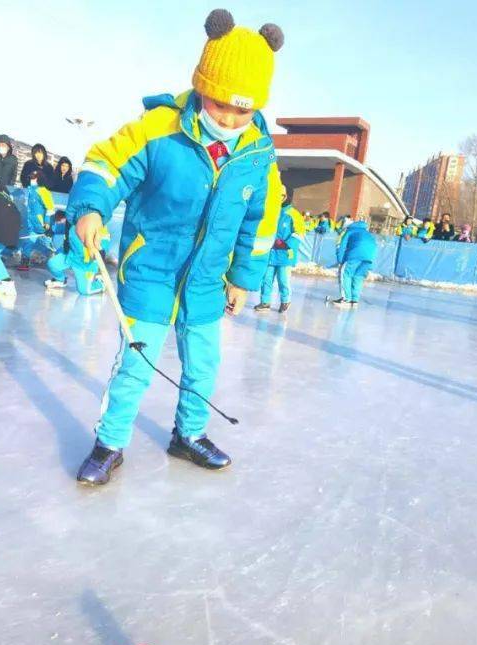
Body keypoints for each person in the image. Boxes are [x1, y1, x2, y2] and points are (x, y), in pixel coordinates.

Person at [69, 8, 284, 485]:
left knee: (203, 365)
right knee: (137, 366)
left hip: (207, 281)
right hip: (150, 269)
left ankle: (188, 435)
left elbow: (261, 223)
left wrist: (243, 280)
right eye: (220, 103)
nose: (229, 117)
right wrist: (91, 207)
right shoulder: (159, 128)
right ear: (202, 86)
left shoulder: (258, 156)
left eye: (242, 109)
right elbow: (107, 163)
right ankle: (109, 443)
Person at [254, 185, 303, 313]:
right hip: (270, 253)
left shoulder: (293, 214)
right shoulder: (271, 212)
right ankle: (265, 302)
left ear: (286, 197)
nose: (278, 199)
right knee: (266, 279)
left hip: (285, 254)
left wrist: (285, 245)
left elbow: (299, 233)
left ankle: (285, 300)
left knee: (283, 279)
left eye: (281, 196)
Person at [45, 210, 111, 296]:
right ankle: (60, 280)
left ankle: (101, 283)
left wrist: (101, 250)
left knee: (84, 291)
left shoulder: (94, 219)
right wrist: (52, 231)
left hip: (84, 263)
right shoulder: (72, 217)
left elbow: (104, 236)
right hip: (70, 256)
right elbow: (66, 229)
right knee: (52, 264)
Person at [328, 218, 377, 307]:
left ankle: (346, 299)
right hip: (368, 258)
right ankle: (354, 301)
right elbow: (373, 246)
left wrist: (340, 261)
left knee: (345, 274)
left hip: (355, 255)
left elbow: (341, 246)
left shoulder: (349, 232)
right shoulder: (367, 233)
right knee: (358, 277)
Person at [18, 169, 56, 271]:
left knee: (48, 244)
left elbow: (50, 207)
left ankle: (54, 260)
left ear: (39, 179)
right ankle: (25, 262)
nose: (31, 179)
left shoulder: (43, 191)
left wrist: (47, 222)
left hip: (42, 225)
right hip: (32, 224)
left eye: (34, 178)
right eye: (30, 178)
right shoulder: (31, 190)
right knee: (28, 242)